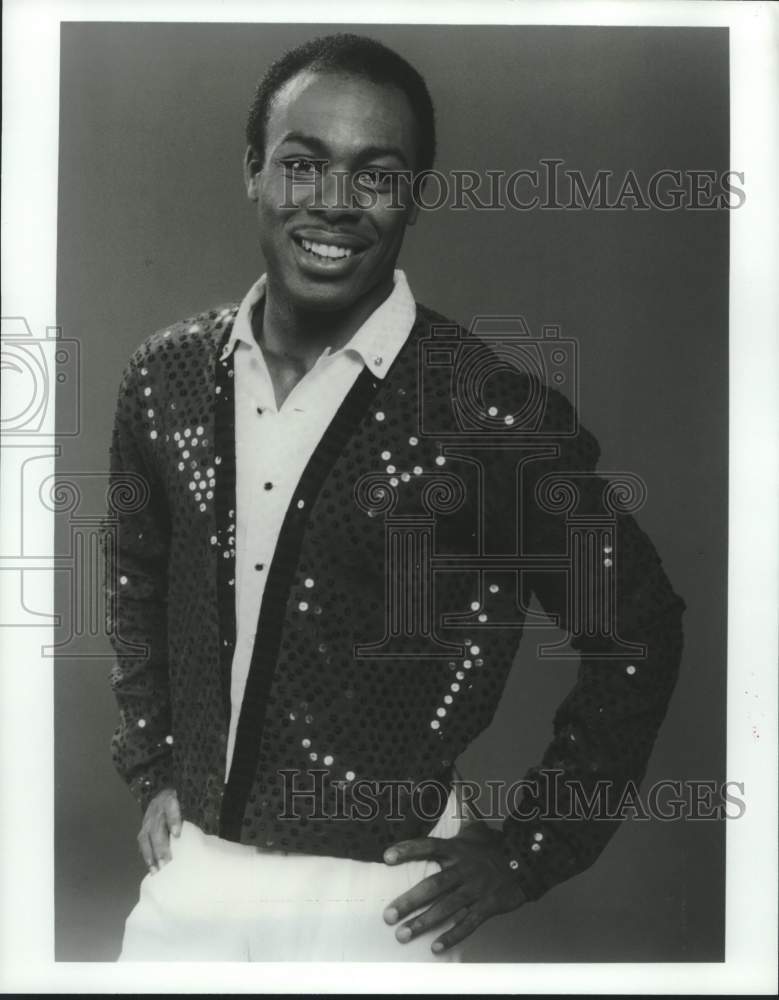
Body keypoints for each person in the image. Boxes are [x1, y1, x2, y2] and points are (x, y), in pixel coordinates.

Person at [104, 32, 686, 962]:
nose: (333, 203)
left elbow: (639, 626)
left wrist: (534, 847)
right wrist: (152, 765)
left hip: (377, 904)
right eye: (302, 164)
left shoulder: (484, 409)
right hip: (195, 876)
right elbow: (137, 567)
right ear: (253, 171)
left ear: (413, 196)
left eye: (375, 175)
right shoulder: (165, 376)